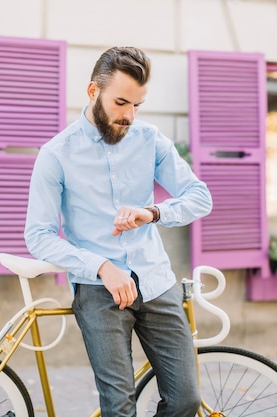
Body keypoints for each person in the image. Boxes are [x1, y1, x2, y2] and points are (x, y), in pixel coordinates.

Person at [24, 47, 212, 416]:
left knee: (186, 400)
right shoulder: (56, 154)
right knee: (119, 407)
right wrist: (101, 266)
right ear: (93, 91)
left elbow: (199, 197)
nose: (129, 116)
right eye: (121, 102)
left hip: (156, 281)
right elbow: (39, 235)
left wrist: (152, 212)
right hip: (99, 291)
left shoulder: (149, 139)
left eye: (137, 105)